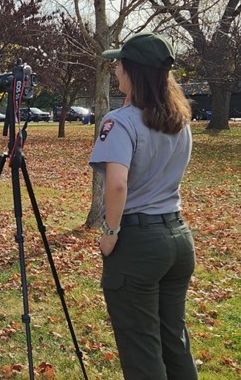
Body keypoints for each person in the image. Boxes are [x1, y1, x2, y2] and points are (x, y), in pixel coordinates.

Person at [89, 33, 198, 379]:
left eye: (119, 64)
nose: (116, 69)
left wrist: (110, 231)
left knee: (141, 347)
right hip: (178, 237)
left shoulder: (120, 122)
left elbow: (117, 183)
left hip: (138, 244)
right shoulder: (179, 122)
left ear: (133, 72)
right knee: (174, 340)